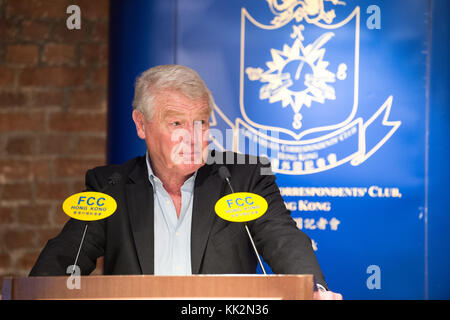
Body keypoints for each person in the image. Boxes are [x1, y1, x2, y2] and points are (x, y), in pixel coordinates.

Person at [30, 64, 342, 300]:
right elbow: (65, 255)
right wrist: (35, 292)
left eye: (201, 123)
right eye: (177, 123)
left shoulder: (245, 178)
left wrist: (315, 292)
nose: (193, 138)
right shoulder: (108, 185)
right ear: (141, 124)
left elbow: (284, 240)